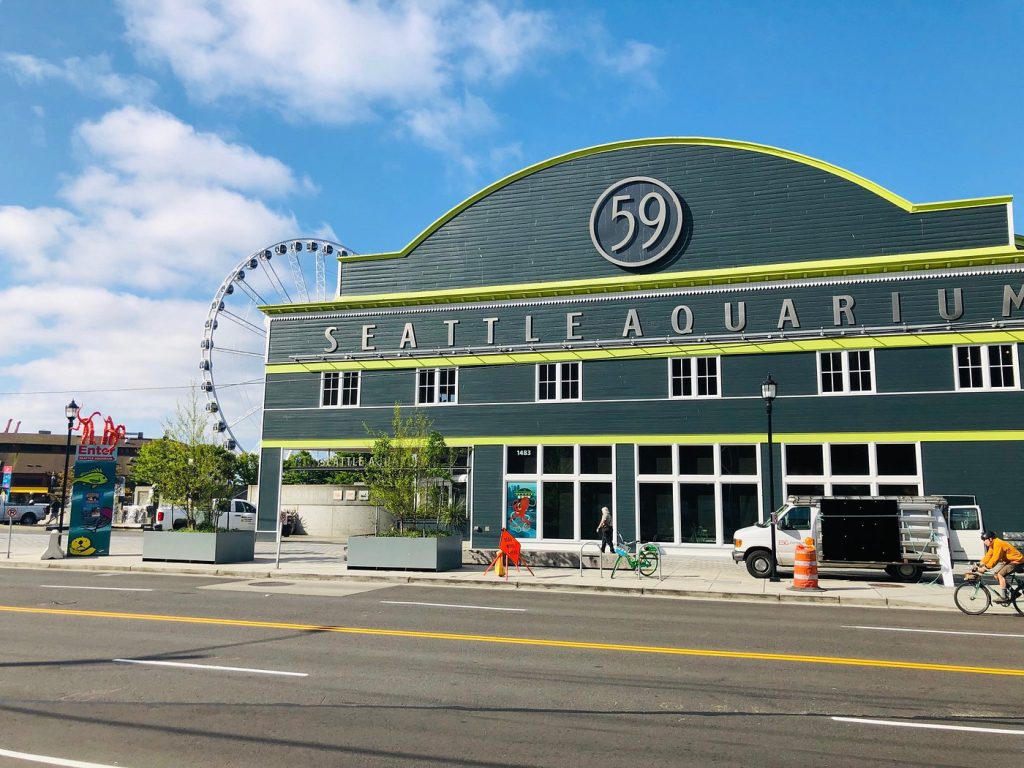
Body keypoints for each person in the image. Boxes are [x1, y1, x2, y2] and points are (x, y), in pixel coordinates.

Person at [972, 530, 1024, 604]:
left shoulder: (998, 543)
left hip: (1017, 561)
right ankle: (1014, 593)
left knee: (1000, 575)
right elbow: (989, 556)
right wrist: (979, 564)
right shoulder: (992, 545)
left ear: (990, 539)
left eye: (984, 540)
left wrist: (985, 567)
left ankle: (1004, 597)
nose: (984, 542)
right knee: (996, 575)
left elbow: (995, 558)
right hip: (1009, 561)